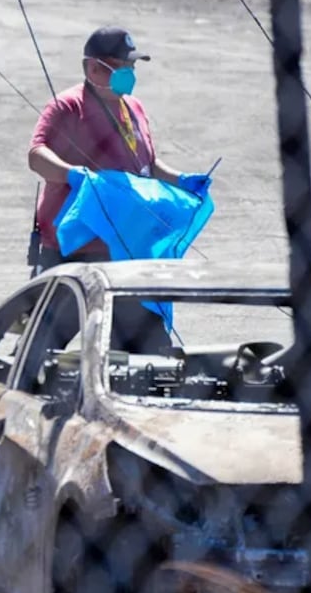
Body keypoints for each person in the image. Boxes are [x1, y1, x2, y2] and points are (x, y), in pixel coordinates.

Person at [26, 25, 211, 354]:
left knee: (150, 349)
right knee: (41, 348)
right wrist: (73, 176)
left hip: (126, 250)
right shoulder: (68, 107)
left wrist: (181, 181)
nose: (129, 75)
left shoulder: (133, 108)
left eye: (132, 68)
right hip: (74, 253)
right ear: (93, 68)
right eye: (121, 67)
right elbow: (37, 157)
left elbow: (147, 166)